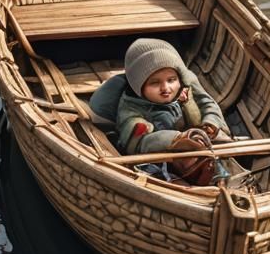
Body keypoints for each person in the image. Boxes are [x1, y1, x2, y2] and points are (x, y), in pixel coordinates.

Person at [89, 38, 230, 182]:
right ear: (139, 85)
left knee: (216, 154)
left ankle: (219, 176)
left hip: (198, 143)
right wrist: (176, 139)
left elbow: (208, 104)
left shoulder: (187, 89)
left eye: (171, 80)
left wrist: (211, 123)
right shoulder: (131, 107)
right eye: (155, 83)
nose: (166, 89)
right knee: (151, 171)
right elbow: (137, 143)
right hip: (157, 157)